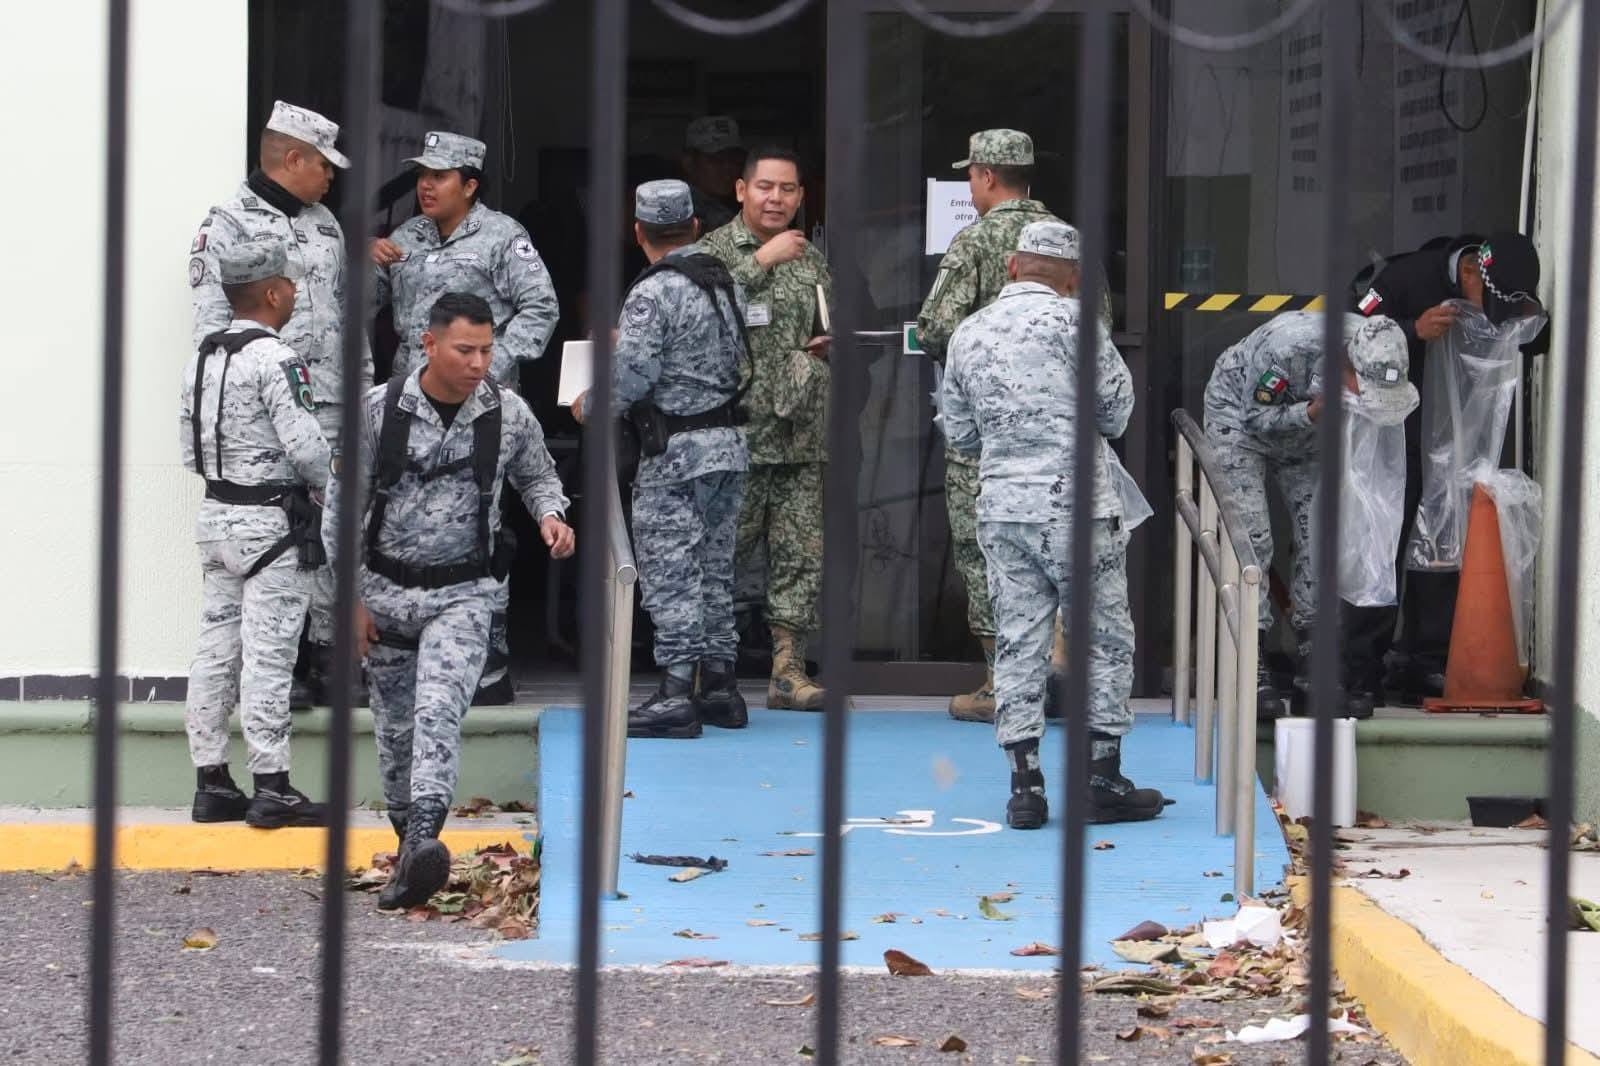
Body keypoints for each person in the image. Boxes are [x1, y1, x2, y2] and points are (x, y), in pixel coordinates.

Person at [324, 292, 574, 910]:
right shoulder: (379, 412)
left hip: (464, 594)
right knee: (396, 737)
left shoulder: (506, 413)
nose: (479, 363)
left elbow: (539, 475)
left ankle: (426, 839)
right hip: (382, 594)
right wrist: (348, 602)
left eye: (487, 349)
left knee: (438, 711)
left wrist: (551, 515)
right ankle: (411, 857)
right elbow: (338, 513)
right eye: (466, 349)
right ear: (428, 345)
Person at [941, 221, 1163, 829]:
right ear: (1074, 278)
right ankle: (1101, 777)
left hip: (1003, 506)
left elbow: (958, 432)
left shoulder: (968, 331)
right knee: (1103, 638)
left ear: (1012, 267)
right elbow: (1115, 412)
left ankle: (1024, 786)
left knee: (1017, 640)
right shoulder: (1075, 322)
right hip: (1078, 506)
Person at [189, 100, 371, 709]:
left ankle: (329, 653)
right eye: (324, 165)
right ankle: (283, 662)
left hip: (334, 404)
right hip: (269, 413)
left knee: (338, 527)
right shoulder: (227, 225)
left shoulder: (326, 224)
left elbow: (348, 313)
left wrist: (364, 389)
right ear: (293, 158)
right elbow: (214, 335)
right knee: (284, 532)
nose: (330, 177)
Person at [371, 131, 562, 706]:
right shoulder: (405, 238)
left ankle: (489, 657)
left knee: (485, 522)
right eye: (422, 175)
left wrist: (486, 365)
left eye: (441, 176)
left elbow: (541, 307)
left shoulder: (504, 237)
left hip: (482, 408)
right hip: (412, 408)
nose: (426, 185)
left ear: (470, 184)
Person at [573, 180, 750, 738]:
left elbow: (634, 375)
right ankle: (720, 687)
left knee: (671, 572)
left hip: (675, 452)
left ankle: (676, 691)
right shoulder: (726, 282)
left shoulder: (655, 292)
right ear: (695, 226)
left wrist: (590, 404)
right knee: (716, 572)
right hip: (728, 446)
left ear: (638, 232)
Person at [1349, 232, 1543, 702]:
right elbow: (1348, 330)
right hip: (1392, 435)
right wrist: (1411, 329)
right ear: (1471, 272)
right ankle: (1361, 665)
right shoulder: (1408, 277)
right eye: (1487, 305)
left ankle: (1427, 660)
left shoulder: (1498, 279)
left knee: (1442, 543)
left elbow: (1531, 334)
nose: (1489, 319)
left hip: (1451, 445)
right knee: (1385, 542)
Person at [916, 129, 1066, 724]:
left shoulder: (976, 241)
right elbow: (1099, 325)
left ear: (983, 176)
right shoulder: (1065, 242)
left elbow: (934, 329)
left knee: (989, 555)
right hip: (1062, 438)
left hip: (989, 437)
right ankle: (1058, 666)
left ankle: (1004, 684)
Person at [180, 238, 331, 828]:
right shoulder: (278, 359)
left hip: (216, 518)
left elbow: (190, 451)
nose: (294, 292)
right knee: (269, 655)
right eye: (290, 284)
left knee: (214, 652)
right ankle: (272, 785)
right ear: (272, 292)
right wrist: (331, 482)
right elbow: (308, 450)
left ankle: (212, 781)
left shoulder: (202, 357)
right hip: (272, 528)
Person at [1203, 311, 1404, 718]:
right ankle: (1249, 664)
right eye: (1360, 388)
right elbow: (1256, 417)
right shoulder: (1288, 348)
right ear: (1347, 365)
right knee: (1251, 538)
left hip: (1312, 430)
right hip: (1241, 422)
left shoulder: (1384, 347)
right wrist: (1311, 413)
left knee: (1320, 540)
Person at [701, 148, 834, 710]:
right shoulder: (712, 252)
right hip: (737, 436)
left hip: (801, 436)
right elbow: (694, 311)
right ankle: (710, 671)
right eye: (765, 188)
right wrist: (762, 261)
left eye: (787, 189)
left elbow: (829, 321)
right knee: (723, 554)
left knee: (801, 557)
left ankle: (788, 672)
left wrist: (830, 348)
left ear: (801, 196)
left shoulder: (811, 260)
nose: (776, 199)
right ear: (740, 191)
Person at [682, 116, 744, 232]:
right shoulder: (682, 211)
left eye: (734, 158)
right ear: (689, 162)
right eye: (716, 159)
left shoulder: (739, 203)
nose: (728, 167)